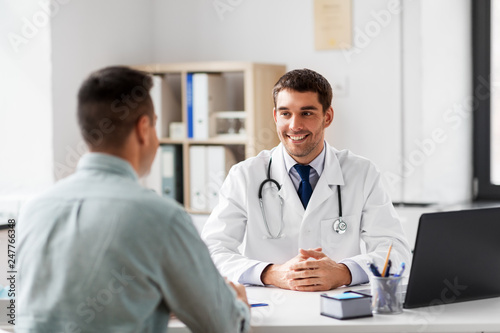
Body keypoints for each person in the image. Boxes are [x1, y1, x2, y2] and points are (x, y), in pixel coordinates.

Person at [17, 66, 250, 333]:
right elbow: (225, 326)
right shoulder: (162, 217)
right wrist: (238, 304)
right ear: (143, 128)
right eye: (155, 125)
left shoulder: (33, 210)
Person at [201, 68, 411, 292]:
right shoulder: (245, 175)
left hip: (340, 308)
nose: (294, 125)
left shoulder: (362, 173)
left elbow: (395, 251)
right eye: (285, 113)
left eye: (307, 113)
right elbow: (210, 251)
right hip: (270, 309)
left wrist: (344, 272)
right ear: (275, 116)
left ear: (327, 117)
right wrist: (271, 273)